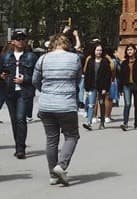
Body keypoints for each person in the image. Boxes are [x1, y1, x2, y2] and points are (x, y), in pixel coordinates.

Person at [32, 33, 82, 184]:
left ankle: (52, 175)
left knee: (51, 140)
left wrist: (46, 91)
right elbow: (78, 79)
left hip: (46, 105)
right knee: (72, 136)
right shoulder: (74, 58)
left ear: (52, 44)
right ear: (67, 43)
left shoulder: (43, 58)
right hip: (66, 104)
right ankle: (61, 165)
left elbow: (35, 80)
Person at [0, 29, 38, 159]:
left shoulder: (31, 57)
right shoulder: (5, 56)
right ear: (13, 41)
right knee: (14, 121)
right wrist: (2, 76)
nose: (20, 41)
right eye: (18, 39)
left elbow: (37, 76)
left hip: (24, 91)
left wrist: (25, 79)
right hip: (9, 91)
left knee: (21, 118)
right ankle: (18, 145)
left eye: (23, 39)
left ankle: (21, 148)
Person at [82, 43, 113, 131]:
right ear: (94, 51)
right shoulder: (91, 61)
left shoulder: (105, 62)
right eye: (97, 50)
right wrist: (86, 86)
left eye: (100, 50)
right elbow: (87, 74)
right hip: (92, 86)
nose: (99, 52)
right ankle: (89, 122)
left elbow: (108, 76)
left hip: (102, 87)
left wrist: (105, 88)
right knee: (91, 104)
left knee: (101, 104)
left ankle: (102, 122)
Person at [117, 43, 137, 130]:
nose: (129, 51)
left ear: (135, 51)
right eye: (128, 50)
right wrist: (120, 89)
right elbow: (121, 76)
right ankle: (125, 123)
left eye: (131, 50)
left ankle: (136, 122)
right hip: (127, 85)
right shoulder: (124, 63)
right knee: (127, 104)